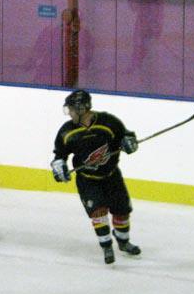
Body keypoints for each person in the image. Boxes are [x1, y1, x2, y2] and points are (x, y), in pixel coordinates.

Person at [51, 90, 141, 265]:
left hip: (112, 176)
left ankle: (123, 242)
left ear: (82, 108)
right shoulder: (67, 131)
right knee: (98, 212)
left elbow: (127, 136)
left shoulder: (108, 122)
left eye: (71, 109)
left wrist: (129, 143)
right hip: (87, 179)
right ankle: (106, 246)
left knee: (122, 211)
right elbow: (59, 154)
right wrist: (59, 166)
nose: (69, 113)